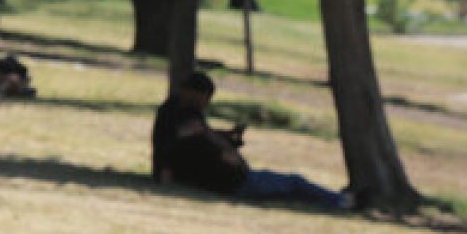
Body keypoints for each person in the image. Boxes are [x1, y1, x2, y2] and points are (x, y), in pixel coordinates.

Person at [152, 71, 357, 210]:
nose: (206, 104)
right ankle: (341, 201)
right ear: (194, 94)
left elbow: (192, 137)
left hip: (230, 181)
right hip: (233, 183)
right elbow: (200, 141)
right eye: (205, 98)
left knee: (289, 190)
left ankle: (335, 199)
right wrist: (224, 148)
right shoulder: (187, 121)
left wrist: (224, 137)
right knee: (295, 183)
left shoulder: (175, 114)